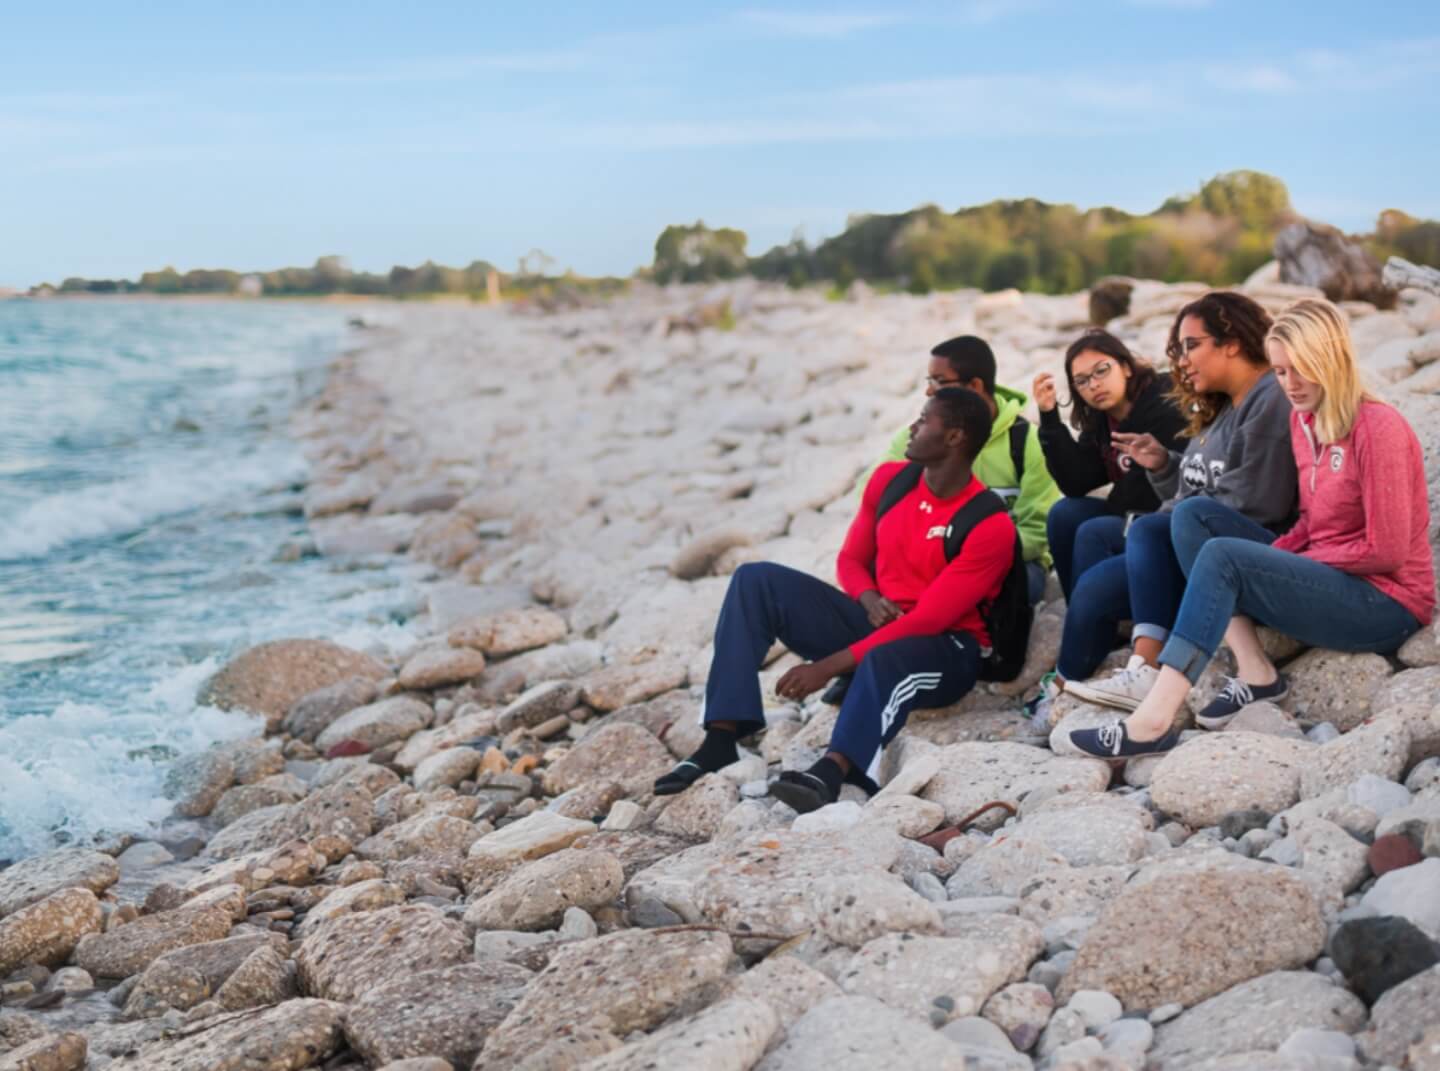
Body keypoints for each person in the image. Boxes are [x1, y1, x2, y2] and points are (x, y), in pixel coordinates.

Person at [1071, 298, 1434, 756]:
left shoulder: (1377, 428)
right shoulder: (1306, 423)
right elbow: (1310, 522)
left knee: (1224, 554)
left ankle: (1152, 720)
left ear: (1334, 360)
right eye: (1281, 372)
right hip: (1328, 581)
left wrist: (1286, 560)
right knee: (1192, 515)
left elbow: (1388, 552)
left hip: (1385, 603)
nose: (1290, 385)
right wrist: (1282, 553)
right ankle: (1257, 672)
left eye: (1302, 369)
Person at [654, 388, 1016, 812]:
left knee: (886, 658)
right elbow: (850, 559)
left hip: (946, 650)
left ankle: (832, 769)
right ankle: (719, 739)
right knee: (755, 580)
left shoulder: (989, 524)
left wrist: (826, 667)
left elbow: (928, 621)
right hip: (878, 623)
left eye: (924, 420)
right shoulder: (890, 481)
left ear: (954, 438)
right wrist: (867, 597)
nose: (913, 428)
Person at [1057, 291, 1299, 711]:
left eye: (1192, 346)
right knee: (1095, 566)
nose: (1182, 361)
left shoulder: (1268, 400)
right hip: (1199, 541)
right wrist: (1165, 466)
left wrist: (1172, 516)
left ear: (1233, 343)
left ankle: (1133, 671)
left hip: (1246, 558)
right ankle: (1079, 680)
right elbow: (1196, 491)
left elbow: (1258, 502)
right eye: (1179, 349)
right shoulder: (1224, 407)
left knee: (1124, 552)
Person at [1022, 330, 1187, 720]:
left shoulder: (1162, 403)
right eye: (1082, 381)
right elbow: (1077, 482)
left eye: (1102, 371)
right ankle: (1094, 625)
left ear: (1126, 367)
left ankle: (1088, 638)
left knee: (1093, 532)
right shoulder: (1103, 418)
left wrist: (1120, 502)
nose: (1094, 385)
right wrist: (1049, 418)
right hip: (1132, 515)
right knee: (1066, 514)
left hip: (1165, 521)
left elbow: (1159, 488)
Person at [874, 335, 1060, 604]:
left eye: (939, 381)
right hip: (928, 559)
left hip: (1004, 562)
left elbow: (1037, 530)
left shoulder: (1027, 442)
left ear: (974, 386)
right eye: (929, 381)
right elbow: (874, 497)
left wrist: (970, 556)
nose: (929, 391)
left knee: (1016, 589)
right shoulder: (915, 438)